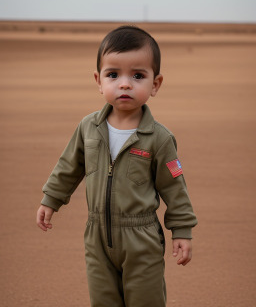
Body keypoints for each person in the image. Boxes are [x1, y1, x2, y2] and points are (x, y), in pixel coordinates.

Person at [36, 25, 198, 307]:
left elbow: (175, 189)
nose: (125, 84)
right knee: (103, 300)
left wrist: (182, 231)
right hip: (96, 236)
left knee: (145, 301)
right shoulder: (88, 127)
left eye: (138, 76)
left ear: (155, 84)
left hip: (142, 240)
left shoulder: (158, 138)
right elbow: (68, 167)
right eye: (113, 75)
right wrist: (51, 199)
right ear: (99, 81)